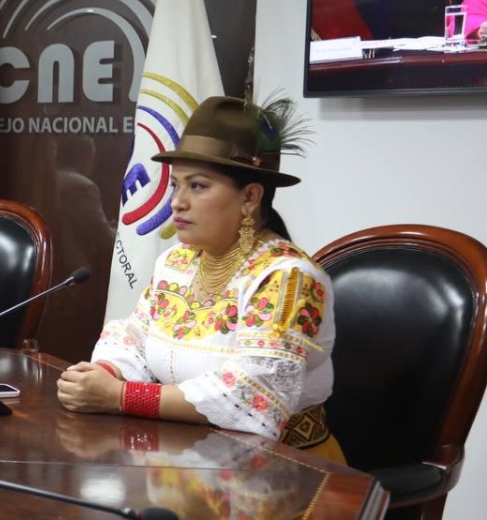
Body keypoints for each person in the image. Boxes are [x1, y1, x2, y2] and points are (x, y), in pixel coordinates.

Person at [55, 96, 344, 462]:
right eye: (175, 185)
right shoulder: (176, 262)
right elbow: (134, 339)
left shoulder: (287, 278)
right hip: (182, 456)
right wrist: (103, 374)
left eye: (198, 186)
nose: (177, 202)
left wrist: (119, 396)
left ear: (250, 197)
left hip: (281, 469)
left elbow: (250, 395)